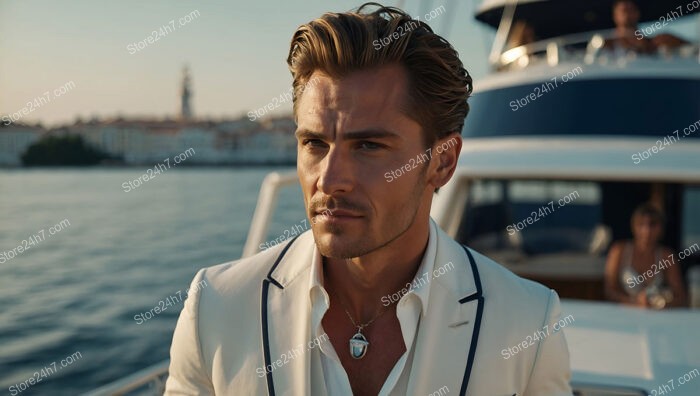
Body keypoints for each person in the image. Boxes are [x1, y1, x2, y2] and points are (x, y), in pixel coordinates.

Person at [165, 3, 573, 395]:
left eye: (368, 146)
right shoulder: (216, 308)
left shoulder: (527, 325)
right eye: (314, 143)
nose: (330, 179)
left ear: (442, 162)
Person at [605, 203, 687, 309]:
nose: (646, 230)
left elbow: (680, 296)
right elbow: (609, 291)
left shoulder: (667, 256)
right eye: (641, 224)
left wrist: (660, 303)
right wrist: (634, 303)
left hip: (657, 318)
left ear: (661, 228)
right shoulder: (619, 251)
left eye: (652, 225)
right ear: (633, 226)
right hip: (623, 316)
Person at [605, 0, 687, 54]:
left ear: (637, 13)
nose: (628, 14)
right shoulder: (605, 45)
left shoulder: (655, 42)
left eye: (632, 9)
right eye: (624, 10)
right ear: (615, 15)